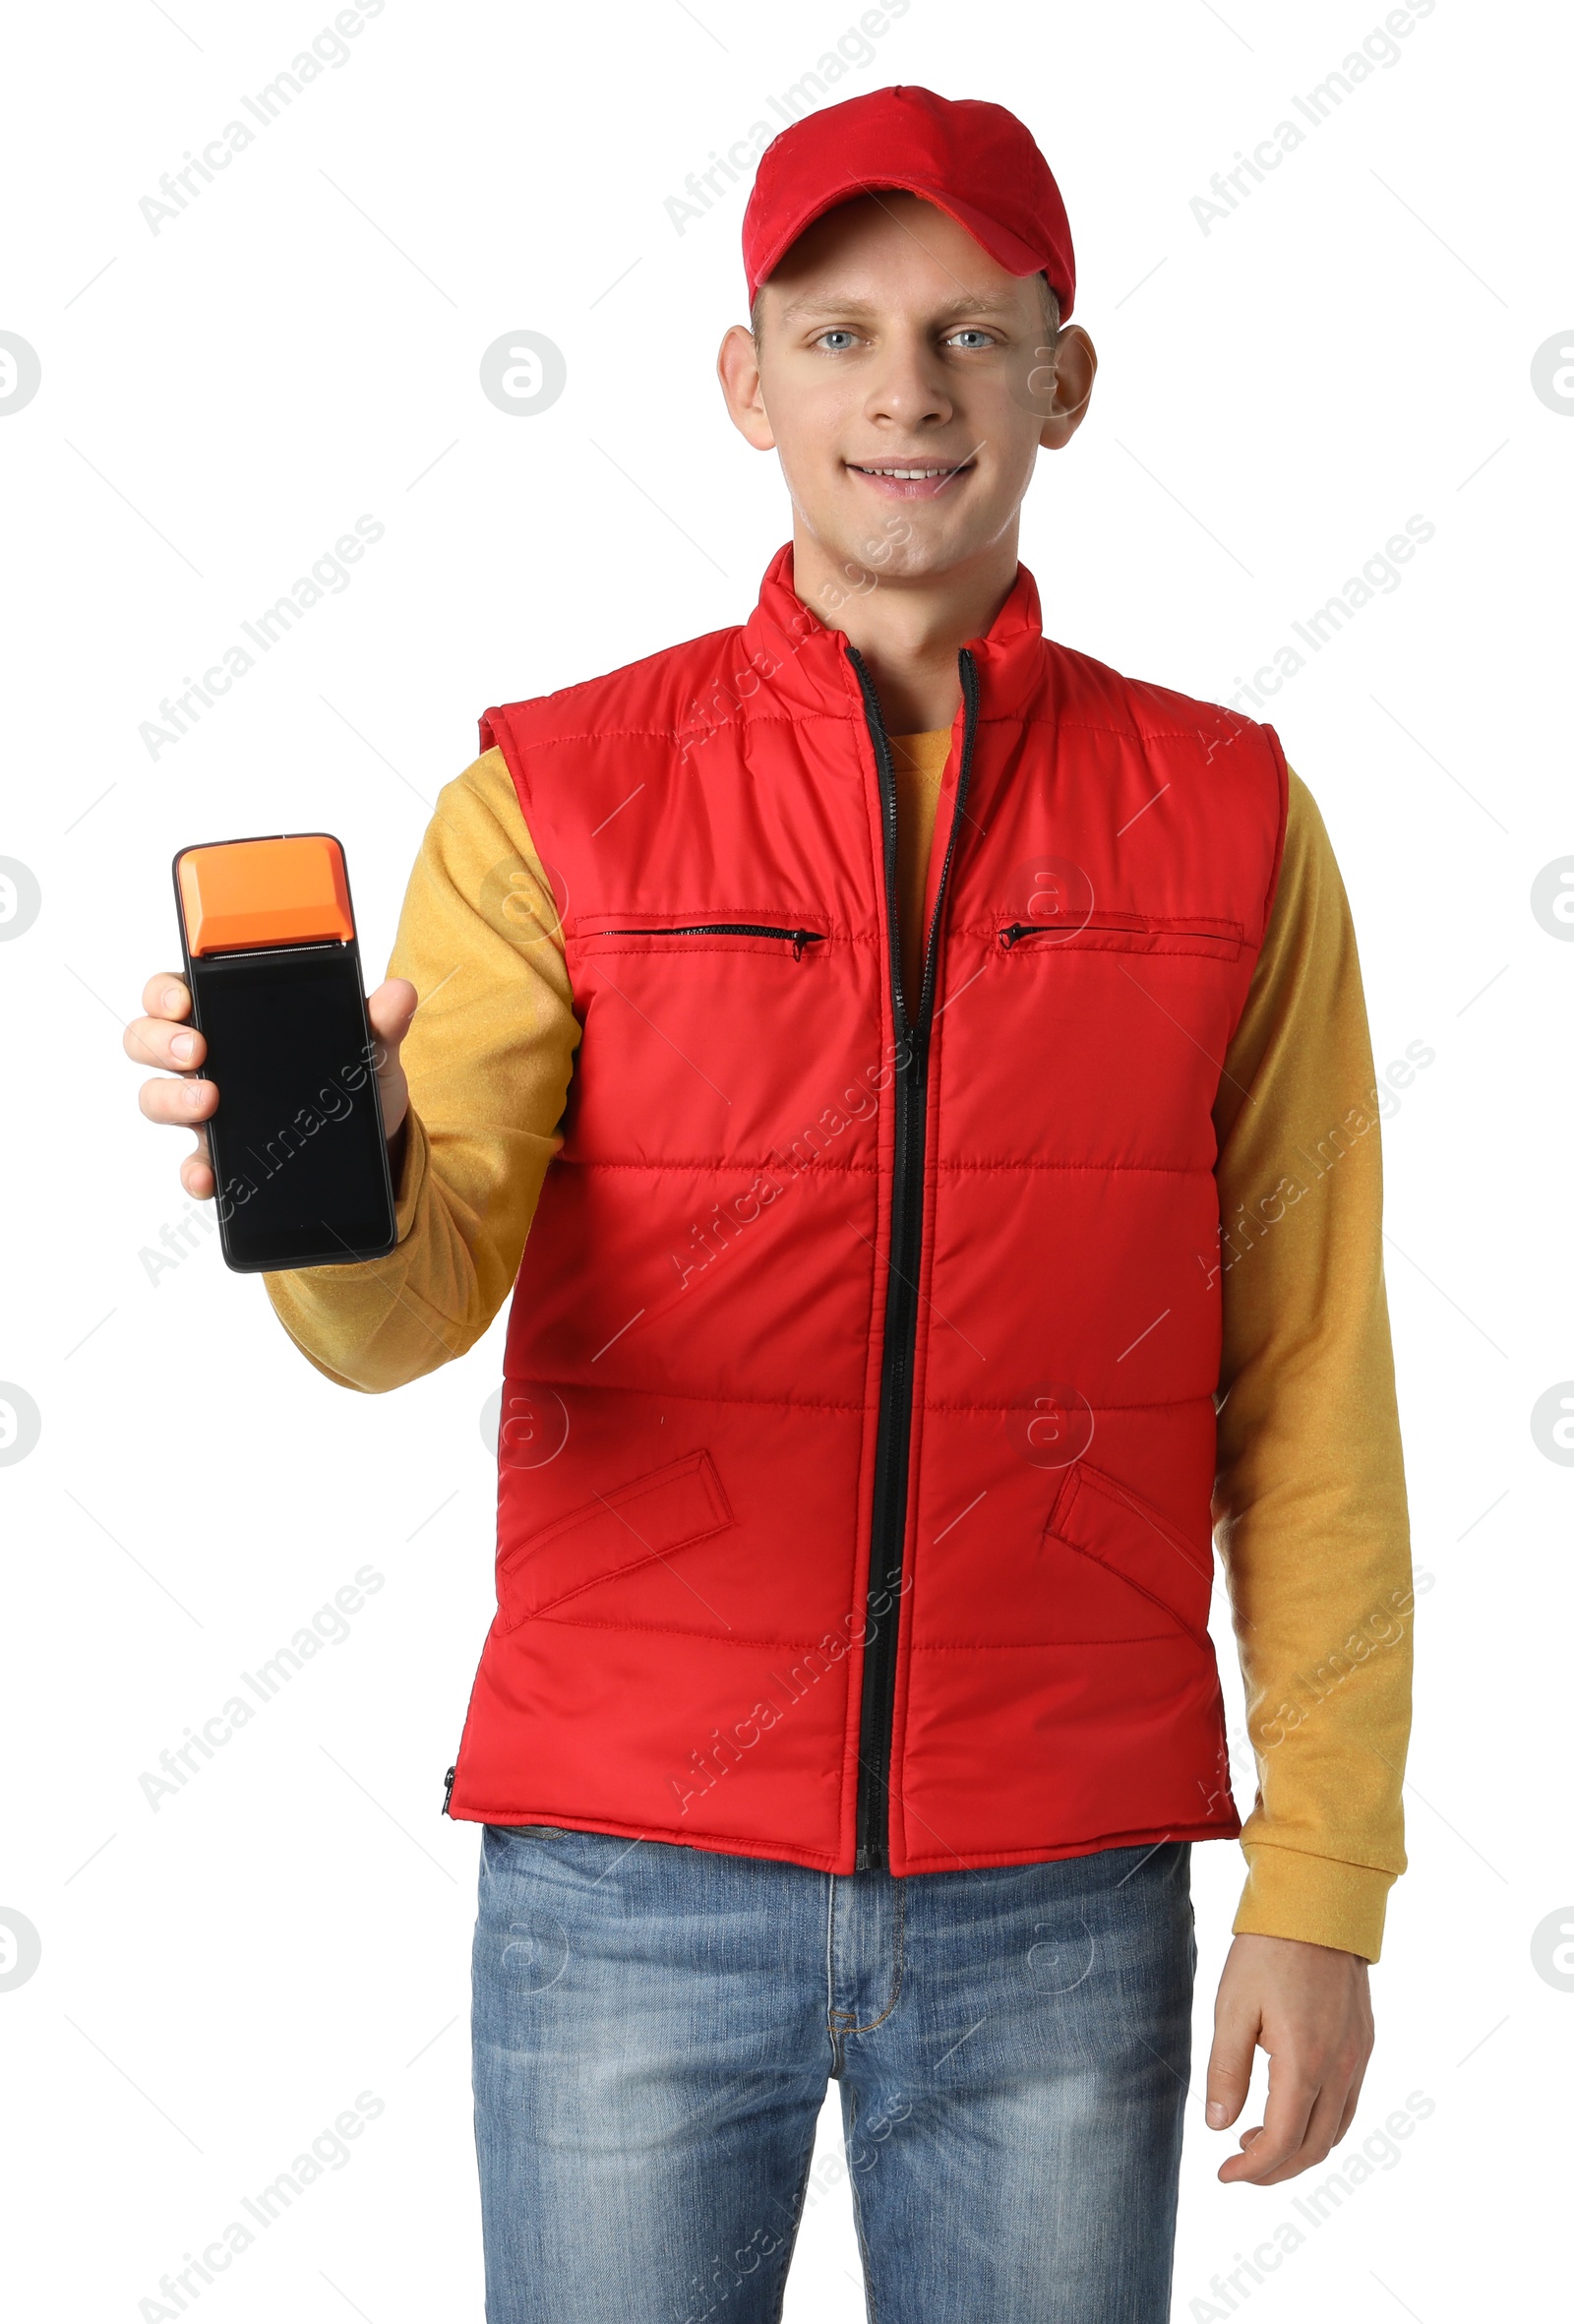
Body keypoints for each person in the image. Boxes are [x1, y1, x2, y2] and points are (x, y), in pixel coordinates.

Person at [128, 83, 1414, 2324]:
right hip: (628, 1876)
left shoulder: (1226, 817)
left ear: (1063, 375)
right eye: (831, 335)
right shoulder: (554, 795)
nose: (901, 392)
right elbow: (404, 1309)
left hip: (1059, 1888)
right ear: (742, 381)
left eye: (967, 334)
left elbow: (1307, 1375)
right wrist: (304, 1167)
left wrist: (1322, 1872)